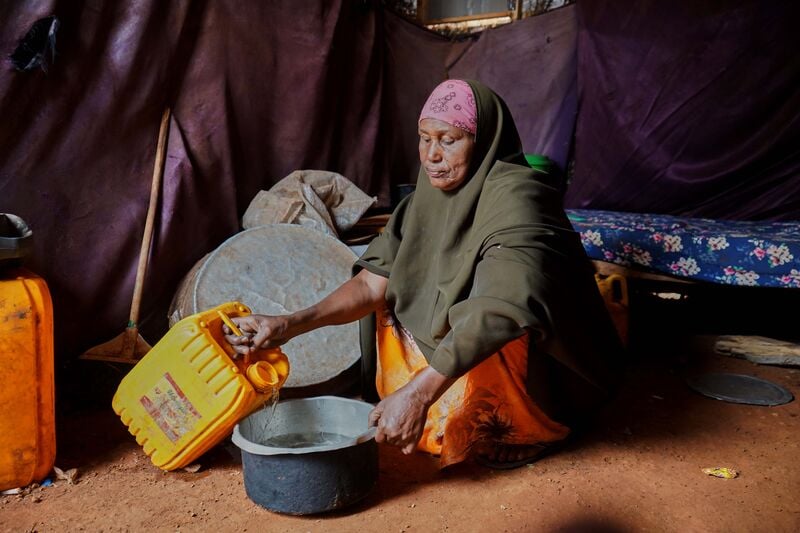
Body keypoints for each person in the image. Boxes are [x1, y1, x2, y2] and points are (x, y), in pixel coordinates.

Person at [225, 79, 622, 469]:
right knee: (392, 303)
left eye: (448, 140)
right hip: (466, 335)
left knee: (502, 317)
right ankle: (437, 408)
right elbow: (371, 283)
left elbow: (504, 307)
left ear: (482, 142)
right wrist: (289, 325)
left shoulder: (520, 197)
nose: (431, 154)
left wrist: (417, 395)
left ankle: (528, 427)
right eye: (424, 138)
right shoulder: (422, 201)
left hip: (551, 357)